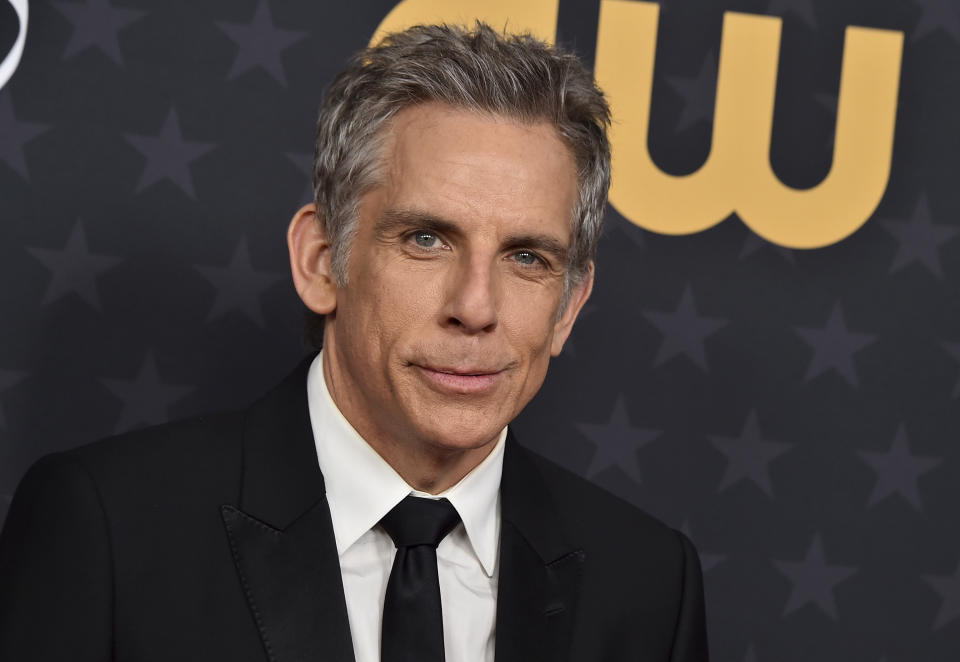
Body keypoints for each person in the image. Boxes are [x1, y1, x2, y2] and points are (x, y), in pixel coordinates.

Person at [0, 22, 708, 662]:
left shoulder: (648, 586)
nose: (475, 307)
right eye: (426, 239)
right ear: (320, 260)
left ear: (567, 308)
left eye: (527, 258)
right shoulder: (112, 530)